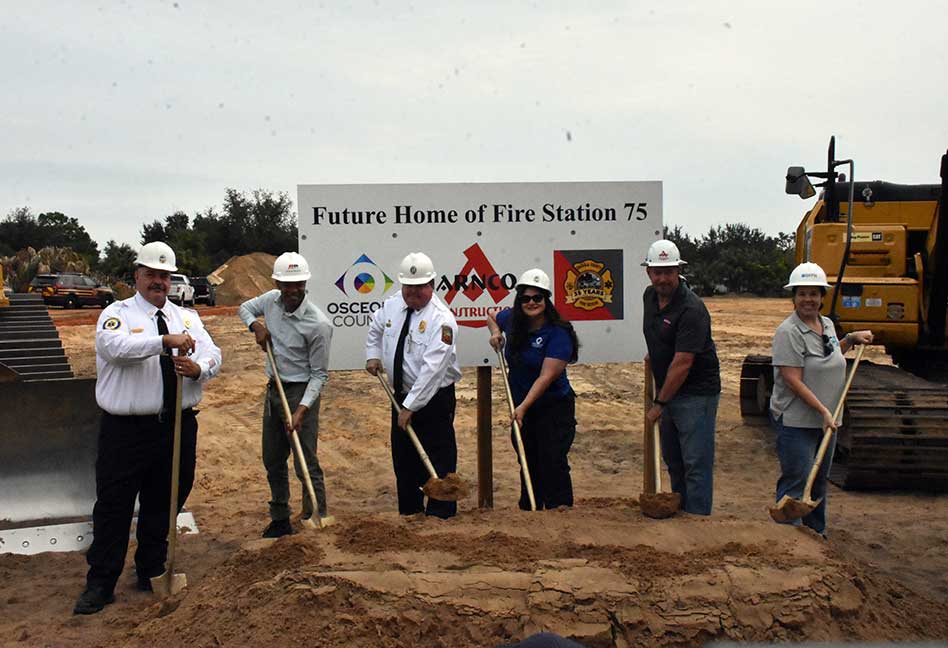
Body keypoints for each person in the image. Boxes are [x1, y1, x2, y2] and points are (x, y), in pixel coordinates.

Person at [74, 241, 221, 615]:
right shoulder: (116, 313)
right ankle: (101, 582)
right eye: (151, 274)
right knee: (114, 506)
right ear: (137, 276)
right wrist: (162, 343)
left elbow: (212, 353)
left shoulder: (186, 317)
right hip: (125, 431)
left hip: (175, 425)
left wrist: (199, 369)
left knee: (166, 499)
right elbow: (115, 349)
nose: (158, 281)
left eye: (164, 276)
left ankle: (151, 569)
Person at [769, 262, 872, 536]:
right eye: (802, 293)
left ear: (822, 297)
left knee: (818, 485)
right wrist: (823, 411)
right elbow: (792, 380)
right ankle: (786, 540)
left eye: (814, 293)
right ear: (793, 297)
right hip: (797, 420)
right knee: (797, 481)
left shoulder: (825, 324)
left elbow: (831, 355)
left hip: (826, 420)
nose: (808, 299)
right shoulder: (788, 332)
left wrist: (849, 339)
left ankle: (816, 537)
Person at [238, 252, 333, 538]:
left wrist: (302, 410)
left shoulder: (319, 324)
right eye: (286, 284)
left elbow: (320, 375)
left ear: (305, 282)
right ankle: (280, 518)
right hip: (274, 389)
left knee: (306, 460)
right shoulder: (270, 301)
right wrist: (256, 326)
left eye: (298, 284)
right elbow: (244, 308)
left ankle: (315, 516)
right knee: (273, 458)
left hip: (301, 392)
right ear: (277, 282)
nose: (292, 290)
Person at [365, 252, 461, 519]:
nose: (413, 292)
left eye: (420, 287)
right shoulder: (393, 305)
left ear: (432, 284)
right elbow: (375, 329)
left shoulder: (442, 320)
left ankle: (440, 513)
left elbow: (432, 371)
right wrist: (373, 354)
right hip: (401, 395)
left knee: (438, 455)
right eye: (408, 286)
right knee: (404, 457)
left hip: (433, 399)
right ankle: (410, 511)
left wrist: (410, 407)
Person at [486, 268, 579, 510]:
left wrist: (523, 408)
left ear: (546, 300)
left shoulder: (559, 333)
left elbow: (545, 377)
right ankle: (531, 509)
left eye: (537, 298)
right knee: (527, 458)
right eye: (526, 298)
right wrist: (496, 333)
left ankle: (559, 509)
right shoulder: (514, 321)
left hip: (553, 407)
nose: (531, 303)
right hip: (522, 406)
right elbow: (491, 314)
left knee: (552, 460)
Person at [642, 239, 721, 515]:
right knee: (673, 459)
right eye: (657, 272)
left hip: (695, 394)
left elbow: (683, 362)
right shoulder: (649, 297)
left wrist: (659, 405)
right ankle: (680, 513)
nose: (663, 278)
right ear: (648, 272)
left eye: (669, 272)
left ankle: (698, 521)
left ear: (679, 271)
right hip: (669, 390)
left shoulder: (691, 309)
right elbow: (658, 335)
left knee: (695, 463)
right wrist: (655, 355)